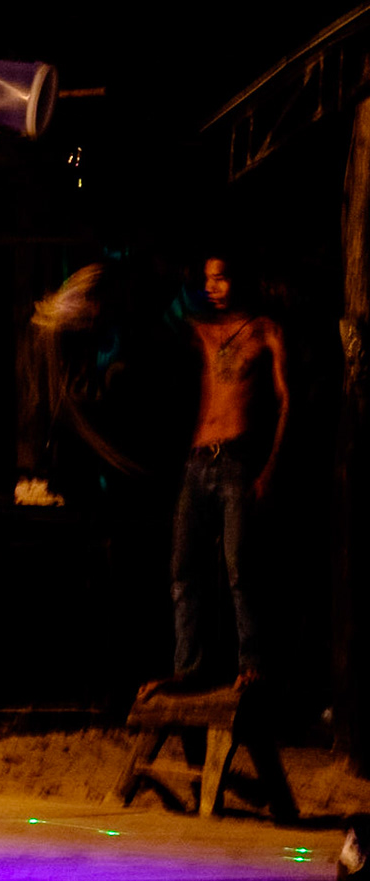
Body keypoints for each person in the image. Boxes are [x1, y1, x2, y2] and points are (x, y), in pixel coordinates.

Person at [159, 253, 288, 693]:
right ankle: (188, 666)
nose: (212, 287)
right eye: (208, 280)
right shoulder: (204, 330)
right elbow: (162, 317)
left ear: (240, 280)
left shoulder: (266, 331)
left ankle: (253, 665)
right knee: (183, 569)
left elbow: (288, 401)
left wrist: (270, 467)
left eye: (221, 279)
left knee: (240, 567)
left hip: (238, 461)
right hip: (197, 462)